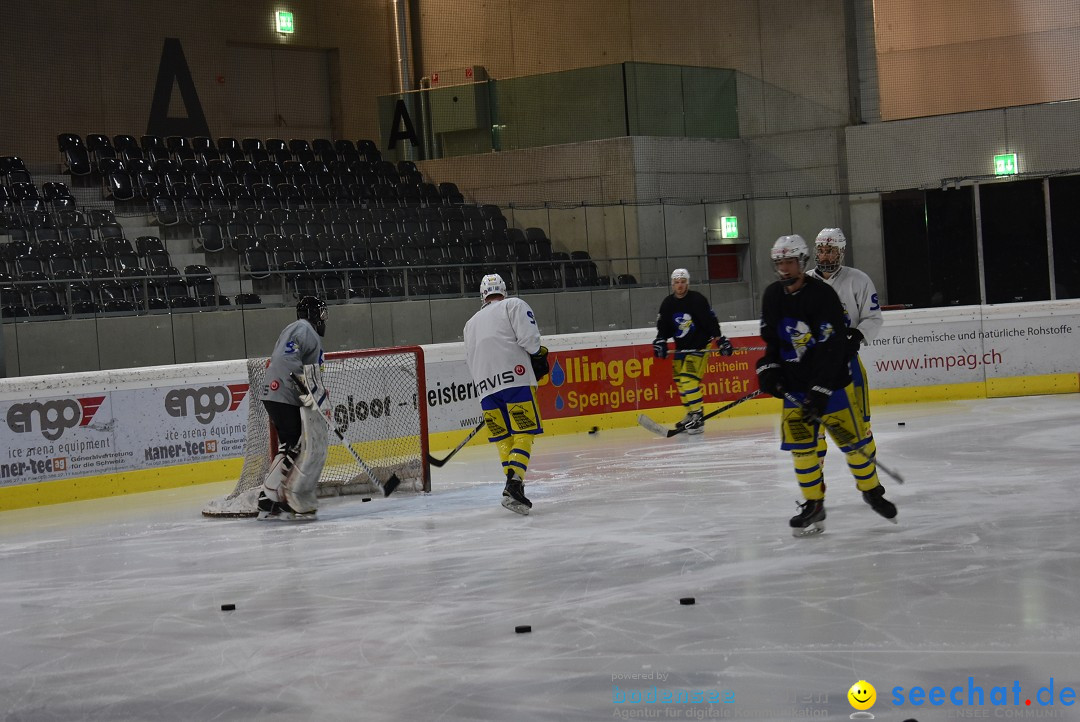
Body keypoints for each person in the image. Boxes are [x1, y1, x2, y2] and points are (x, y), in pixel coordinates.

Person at [755, 235, 897, 536]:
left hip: (832, 385)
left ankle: (871, 490)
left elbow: (833, 349)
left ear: (801, 262)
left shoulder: (823, 296)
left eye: (790, 262)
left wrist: (821, 390)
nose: (785, 269)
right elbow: (773, 344)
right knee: (803, 450)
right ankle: (813, 504)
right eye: (779, 263)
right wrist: (768, 369)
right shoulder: (772, 296)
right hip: (795, 390)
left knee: (855, 444)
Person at [463, 273, 549, 515]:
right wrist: (539, 355)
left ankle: (512, 486)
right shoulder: (514, 305)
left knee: (503, 438)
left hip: (485, 390)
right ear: (504, 290)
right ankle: (514, 484)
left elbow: (469, 360)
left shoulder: (470, 324)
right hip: (516, 381)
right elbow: (530, 342)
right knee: (524, 433)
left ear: (482, 295)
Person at [806, 228, 883, 469]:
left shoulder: (859, 280)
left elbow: (873, 317)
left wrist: (857, 336)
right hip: (813, 366)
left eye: (831, 251)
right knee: (812, 428)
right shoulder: (804, 282)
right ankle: (816, 488)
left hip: (846, 364)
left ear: (841, 252)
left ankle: (869, 478)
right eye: (821, 250)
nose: (825, 255)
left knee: (860, 425)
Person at [256, 296, 330, 520]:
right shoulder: (302, 328)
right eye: (321, 313)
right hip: (282, 393)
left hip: (281, 393)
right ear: (312, 314)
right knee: (293, 444)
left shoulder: (304, 330)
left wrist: (313, 392)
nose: (323, 318)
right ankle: (267, 497)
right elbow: (286, 360)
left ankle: (274, 496)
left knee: (291, 443)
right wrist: (303, 388)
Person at [652, 268, 733, 435]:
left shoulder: (697, 300)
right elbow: (664, 327)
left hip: (700, 346)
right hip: (682, 347)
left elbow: (710, 321)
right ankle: (691, 414)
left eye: (682, 282)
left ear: (687, 283)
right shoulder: (668, 303)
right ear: (672, 284)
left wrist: (720, 339)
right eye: (676, 282)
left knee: (688, 380)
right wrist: (660, 340)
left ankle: (698, 417)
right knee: (679, 381)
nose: (679, 285)